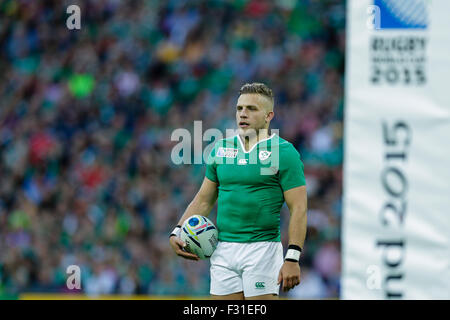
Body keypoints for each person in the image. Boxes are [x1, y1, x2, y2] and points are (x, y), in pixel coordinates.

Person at [169, 82, 307, 300]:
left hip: (262, 250)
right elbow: (204, 200)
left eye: (251, 109)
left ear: (269, 116)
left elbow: (298, 208)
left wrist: (292, 257)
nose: (243, 114)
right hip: (222, 250)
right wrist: (177, 230)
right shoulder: (221, 149)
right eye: (239, 108)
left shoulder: (284, 153)